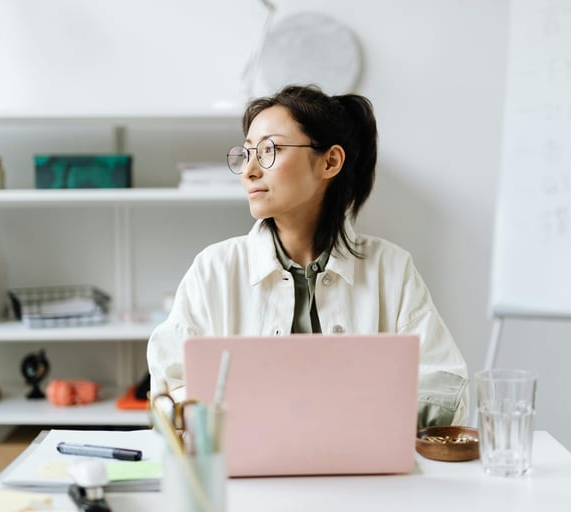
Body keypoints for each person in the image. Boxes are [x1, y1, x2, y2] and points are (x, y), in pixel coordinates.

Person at [147, 84, 468, 427]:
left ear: (330, 161)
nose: (249, 171)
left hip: (361, 471)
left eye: (269, 150)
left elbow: (446, 392)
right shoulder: (214, 269)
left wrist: (353, 413)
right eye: (246, 153)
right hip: (246, 472)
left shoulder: (392, 268)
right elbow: (169, 390)